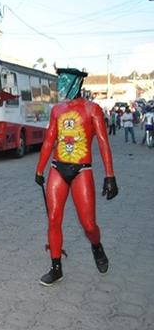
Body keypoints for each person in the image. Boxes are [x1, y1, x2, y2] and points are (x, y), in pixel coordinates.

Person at [34, 68, 118, 286]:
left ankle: (96, 246)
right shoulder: (57, 110)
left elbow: (103, 143)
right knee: (53, 219)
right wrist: (39, 169)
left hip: (82, 170)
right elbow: (49, 140)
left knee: (88, 224)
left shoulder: (93, 109)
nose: (60, 84)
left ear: (76, 82)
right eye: (58, 80)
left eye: (64, 80)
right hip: (57, 168)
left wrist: (110, 176)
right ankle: (56, 267)